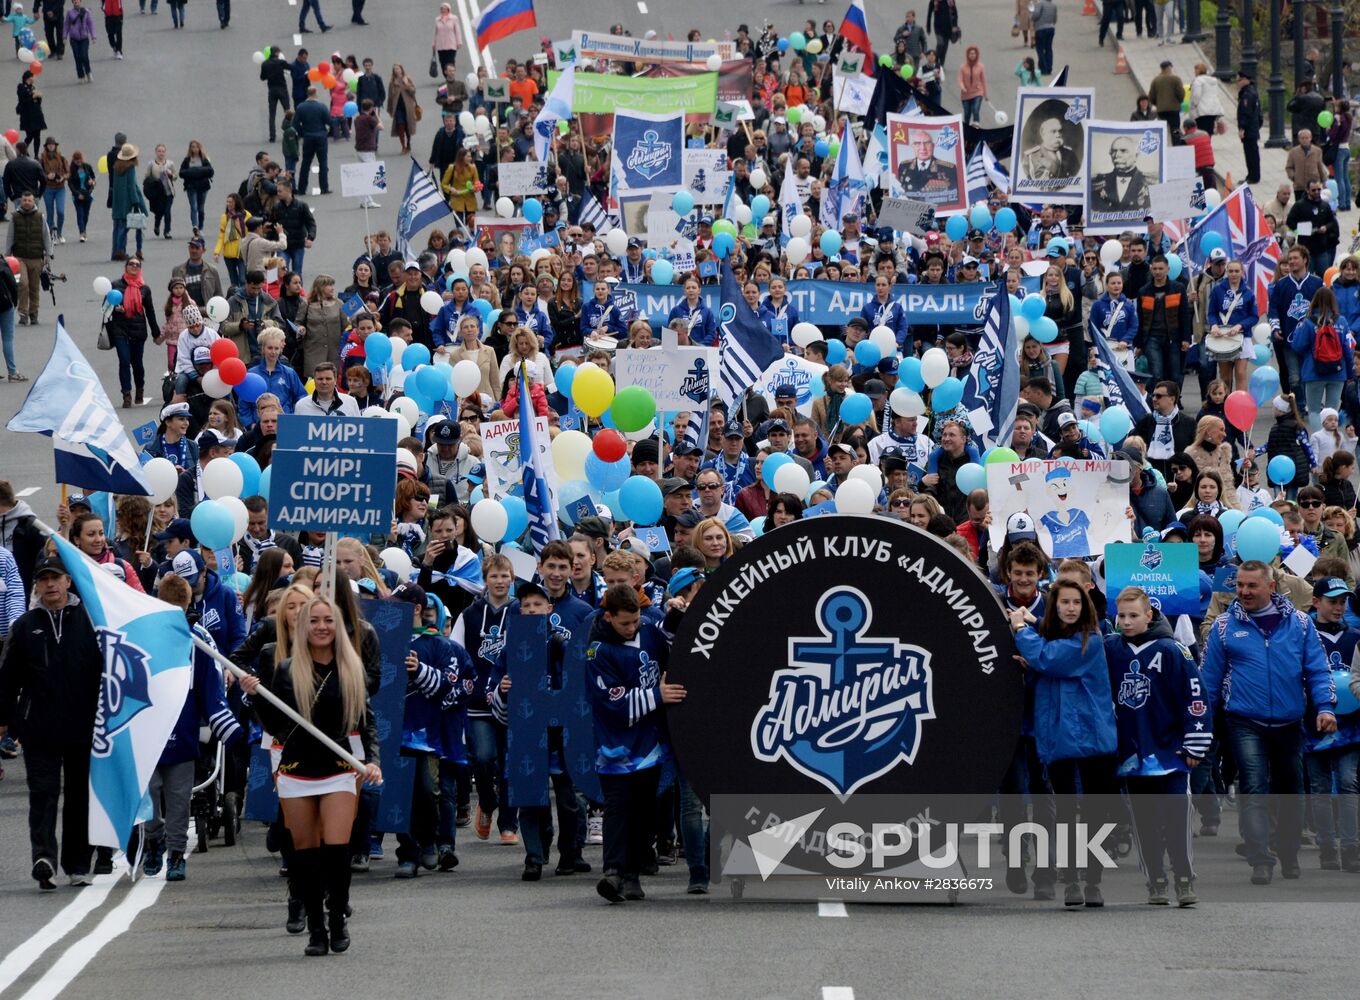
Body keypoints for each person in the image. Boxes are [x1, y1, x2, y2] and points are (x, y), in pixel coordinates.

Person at [240, 596, 381, 956]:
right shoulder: (286, 669)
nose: (321, 626)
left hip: (338, 769)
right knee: (304, 854)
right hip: (297, 769)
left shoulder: (353, 669)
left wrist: (373, 760)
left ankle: (338, 921)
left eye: (328, 621)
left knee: (337, 850)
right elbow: (276, 726)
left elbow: (367, 721)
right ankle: (315, 930)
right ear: (303, 627)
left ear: (338, 627)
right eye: (314, 621)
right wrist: (255, 696)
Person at [1199, 560, 1336, 884]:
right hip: (1245, 720)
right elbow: (1208, 682)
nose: (1244, 592)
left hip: (1289, 722)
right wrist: (1201, 724)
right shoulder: (1223, 627)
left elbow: (1317, 670)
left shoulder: (1301, 625)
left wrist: (1326, 708)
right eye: (1240, 586)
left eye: (1251, 586)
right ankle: (1261, 859)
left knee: (1291, 791)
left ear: (1270, 587)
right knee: (1254, 787)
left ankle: (1288, 853)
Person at [0, 556, 110, 890]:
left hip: (84, 726)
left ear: (68, 581)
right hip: (39, 727)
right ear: (36, 584)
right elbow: (7, 679)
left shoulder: (91, 620)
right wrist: (5, 720)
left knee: (80, 797)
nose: (50, 585)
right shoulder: (25, 626)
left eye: (55, 578)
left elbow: (109, 671)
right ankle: (43, 857)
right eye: (43, 579)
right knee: (43, 793)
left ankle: (78, 864)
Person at [1010, 579, 1117, 907]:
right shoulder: (1048, 636)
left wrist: (1020, 629)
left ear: (1085, 607)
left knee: (1096, 811)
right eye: (1064, 602)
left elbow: (1050, 658)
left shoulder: (1092, 640)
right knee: (1067, 811)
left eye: (1076, 602)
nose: (1071, 608)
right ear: (1054, 606)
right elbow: (1045, 661)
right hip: (1058, 736)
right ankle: (1071, 879)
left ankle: (1093, 880)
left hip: (1093, 738)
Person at [1106, 587, 1210, 906]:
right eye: (1121, 615)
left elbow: (1196, 698)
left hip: (1172, 755)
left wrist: (1194, 745)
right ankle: (1156, 879)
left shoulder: (1173, 651)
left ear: (1149, 615)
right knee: (1146, 824)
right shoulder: (1111, 650)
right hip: (1133, 758)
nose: (1126, 622)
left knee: (1177, 819)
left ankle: (1183, 876)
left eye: (1134, 615)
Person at [143, 574, 243, 882]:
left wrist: (226, 725)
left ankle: (175, 853)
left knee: (178, 796)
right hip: (149, 734)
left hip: (184, 732)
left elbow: (210, 686)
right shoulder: (144, 635)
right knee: (150, 792)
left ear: (187, 605)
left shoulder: (198, 639)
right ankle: (153, 838)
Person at [589, 583, 683, 903]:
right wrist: (658, 695)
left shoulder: (649, 633)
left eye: (636, 620)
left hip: (651, 746)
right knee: (617, 808)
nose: (632, 627)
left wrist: (674, 618)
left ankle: (632, 875)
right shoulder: (598, 651)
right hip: (614, 747)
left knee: (645, 811)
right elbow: (613, 705)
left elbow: (673, 646)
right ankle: (612, 872)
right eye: (625, 622)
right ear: (609, 616)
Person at [1290, 285, 1354, 427]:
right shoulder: (1341, 322)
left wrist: (1297, 331)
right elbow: (1348, 349)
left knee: (1313, 410)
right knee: (1332, 411)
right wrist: (1350, 374)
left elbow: (1297, 346)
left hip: (1314, 372)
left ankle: (1318, 443)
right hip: (1338, 373)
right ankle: (1331, 442)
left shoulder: (1308, 322)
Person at [6, 189, 50, 328]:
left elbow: (46, 237)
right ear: (21, 201)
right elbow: (10, 237)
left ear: (33, 202)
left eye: (29, 200)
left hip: (36, 258)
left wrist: (48, 255)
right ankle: (23, 314)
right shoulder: (15, 217)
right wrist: (7, 257)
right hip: (19, 258)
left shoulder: (40, 217)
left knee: (34, 287)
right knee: (23, 284)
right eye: (24, 200)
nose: (26, 203)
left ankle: (34, 313)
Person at [1286, 179, 1339, 276]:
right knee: (1306, 275)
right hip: (1306, 248)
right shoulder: (1299, 205)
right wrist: (1301, 230)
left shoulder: (1324, 205)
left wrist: (1326, 227)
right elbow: (1290, 221)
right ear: (1307, 190)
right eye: (1314, 190)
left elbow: (1332, 222)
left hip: (1322, 248)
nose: (1317, 192)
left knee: (1324, 275)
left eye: (1319, 189)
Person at [1089, 136, 1151, 216]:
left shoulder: (1151, 183)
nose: (1117, 155)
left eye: (1123, 151)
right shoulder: (1096, 183)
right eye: (1113, 151)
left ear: (1136, 156)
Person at [109, 142, 147, 261]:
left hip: (118, 201)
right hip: (128, 201)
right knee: (135, 224)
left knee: (119, 227)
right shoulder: (130, 168)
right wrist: (136, 201)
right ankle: (128, 250)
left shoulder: (116, 167)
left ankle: (117, 251)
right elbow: (131, 186)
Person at [294, 87, 332, 196]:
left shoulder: (301, 107)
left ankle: (302, 188)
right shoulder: (321, 107)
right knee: (323, 163)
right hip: (321, 136)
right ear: (316, 94)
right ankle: (324, 187)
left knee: (305, 163)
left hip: (308, 137)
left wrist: (302, 133)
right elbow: (328, 121)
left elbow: (295, 124)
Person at [1237, 69, 1263, 184]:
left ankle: (1253, 176)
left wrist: (1242, 128)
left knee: (1251, 153)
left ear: (1246, 80)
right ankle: (1252, 175)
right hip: (1253, 128)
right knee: (1252, 152)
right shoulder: (1253, 92)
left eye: (1240, 80)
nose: (1238, 82)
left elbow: (1246, 113)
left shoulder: (1247, 94)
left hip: (1249, 129)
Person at [63, 0, 96, 82]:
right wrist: (64, 37)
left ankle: (88, 72)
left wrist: (93, 36)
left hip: (84, 38)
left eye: (77, 1)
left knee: (84, 55)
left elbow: (90, 24)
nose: (76, 2)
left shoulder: (86, 11)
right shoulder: (70, 13)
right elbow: (66, 25)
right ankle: (81, 75)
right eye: (74, 1)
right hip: (74, 38)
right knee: (77, 57)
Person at [957, 46, 987, 129]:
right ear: (967, 55)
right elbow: (960, 79)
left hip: (978, 92)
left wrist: (985, 94)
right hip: (966, 93)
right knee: (967, 113)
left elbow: (984, 80)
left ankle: (976, 128)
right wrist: (962, 87)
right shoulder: (962, 67)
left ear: (976, 55)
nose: (972, 55)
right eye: (970, 53)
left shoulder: (980, 66)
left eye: (974, 53)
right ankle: (966, 129)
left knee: (975, 109)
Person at [433, 3, 461, 71]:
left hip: (451, 45)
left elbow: (457, 31)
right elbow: (435, 33)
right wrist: (433, 44)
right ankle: (446, 76)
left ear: (448, 10)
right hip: (441, 46)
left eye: (444, 9)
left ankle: (451, 75)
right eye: (441, 9)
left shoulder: (454, 18)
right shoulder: (437, 20)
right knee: (442, 62)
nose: (443, 10)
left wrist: (459, 42)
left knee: (450, 61)